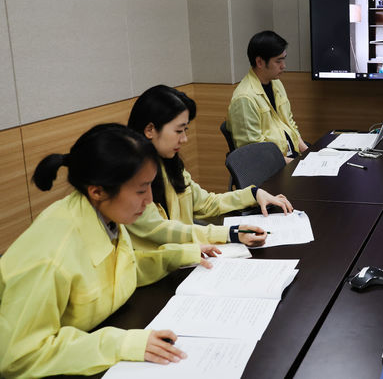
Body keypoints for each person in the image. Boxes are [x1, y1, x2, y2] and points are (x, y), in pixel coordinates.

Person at [0, 124, 217, 377]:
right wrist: (123, 344)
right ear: (98, 191)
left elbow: (118, 272)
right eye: (140, 190)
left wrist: (179, 255)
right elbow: (19, 355)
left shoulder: (104, 213)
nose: (149, 200)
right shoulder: (51, 257)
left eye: (150, 186)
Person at [128, 85, 293, 252]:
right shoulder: (128, 176)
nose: (184, 139)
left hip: (187, 259)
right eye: (178, 131)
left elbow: (205, 203)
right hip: (160, 269)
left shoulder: (169, 164)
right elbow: (160, 231)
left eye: (185, 130)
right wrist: (230, 234)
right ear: (150, 130)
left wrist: (253, 194)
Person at [227, 30, 309, 162]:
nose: (284, 66)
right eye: (278, 61)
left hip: (289, 158)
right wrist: (296, 163)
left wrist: (307, 152)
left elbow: (289, 123)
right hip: (270, 169)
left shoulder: (276, 83)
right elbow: (255, 153)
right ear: (259, 62)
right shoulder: (244, 98)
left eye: (284, 59)